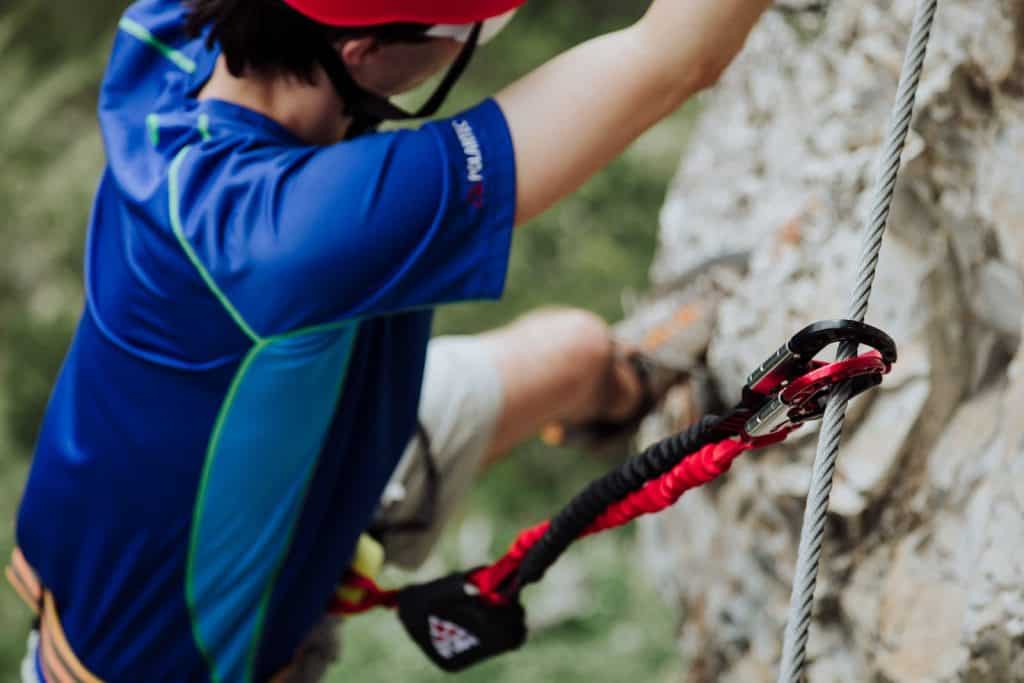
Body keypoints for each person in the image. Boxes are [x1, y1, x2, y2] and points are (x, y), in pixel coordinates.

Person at [7, 0, 771, 680]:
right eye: (467, 27)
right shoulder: (300, 234)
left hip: (294, 446)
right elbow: (677, 55)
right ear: (363, 54)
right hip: (186, 649)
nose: (477, 37)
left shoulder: (170, 29)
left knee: (572, 350)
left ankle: (640, 385)